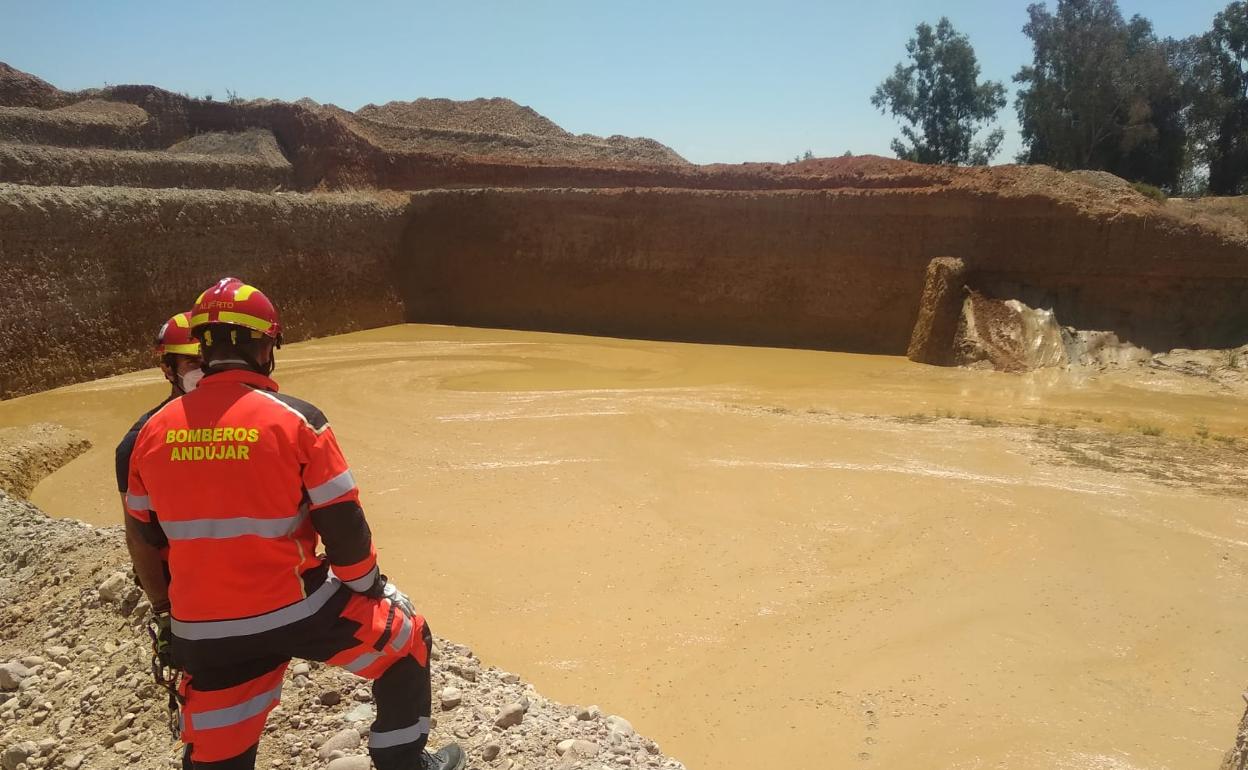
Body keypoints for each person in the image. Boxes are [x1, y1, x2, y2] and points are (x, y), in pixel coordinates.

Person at [123, 277, 464, 770]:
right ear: (266, 347)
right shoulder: (297, 421)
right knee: (408, 639)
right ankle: (404, 764)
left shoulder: (152, 432)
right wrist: (368, 587)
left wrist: (167, 617)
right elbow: (344, 525)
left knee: (219, 748)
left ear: (203, 348)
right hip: (294, 611)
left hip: (203, 629)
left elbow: (143, 536)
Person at [118, 312, 202, 606]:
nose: (205, 370)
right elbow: (138, 538)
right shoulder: (138, 442)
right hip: (182, 586)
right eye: (193, 362)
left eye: (209, 359)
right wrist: (163, 609)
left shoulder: (246, 425)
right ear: (168, 369)